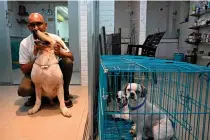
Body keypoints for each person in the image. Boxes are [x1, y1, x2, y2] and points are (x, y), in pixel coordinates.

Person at [18, 13, 74, 108]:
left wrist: (59, 52)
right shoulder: (25, 43)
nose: (36, 27)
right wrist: (37, 55)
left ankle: (64, 93)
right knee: (23, 89)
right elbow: (24, 69)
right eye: (32, 25)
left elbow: (71, 57)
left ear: (45, 25)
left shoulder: (54, 38)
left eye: (39, 24)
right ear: (29, 27)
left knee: (67, 62)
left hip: (52, 69)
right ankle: (35, 97)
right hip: (35, 72)